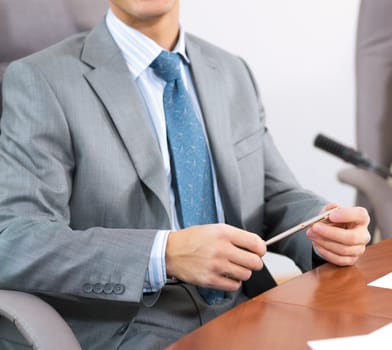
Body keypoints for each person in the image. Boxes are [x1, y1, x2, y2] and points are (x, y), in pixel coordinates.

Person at [0, 0, 370, 349]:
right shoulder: (40, 80)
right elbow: (14, 242)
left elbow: (275, 196)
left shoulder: (229, 70)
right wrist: (164, 254)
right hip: (132, 327)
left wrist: (324, 229)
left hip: (250, 306)